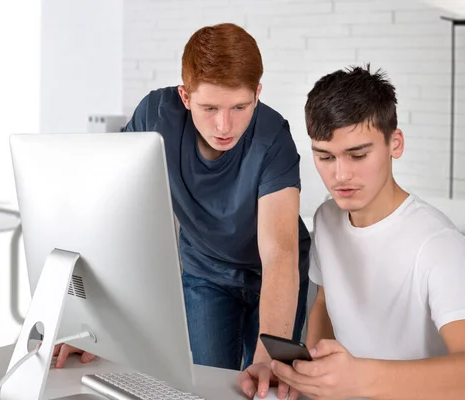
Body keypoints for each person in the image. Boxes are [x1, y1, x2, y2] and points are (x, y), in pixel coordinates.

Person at [53, 23, 310, 399]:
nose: (225, 126)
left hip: (274, 274)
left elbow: (280, 255)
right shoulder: (156, 117)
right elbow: (117, 219)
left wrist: (269, 358)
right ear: (185, 97)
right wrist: (96, 331)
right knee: (206, 386)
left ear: (257, 93)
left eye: (240, 107)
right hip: (206, 272)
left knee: (266, 386)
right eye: (209, 108)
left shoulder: (273, 138)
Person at [267, 66, 465, 399]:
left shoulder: (437, 243)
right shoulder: (327, 218)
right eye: (325, 156)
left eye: (358, 154)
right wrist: (314, 377)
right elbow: (324, 300)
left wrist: (357, 377)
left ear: (395, 143)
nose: (340, 175)